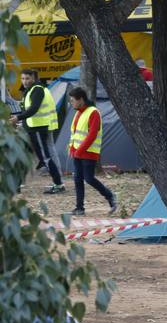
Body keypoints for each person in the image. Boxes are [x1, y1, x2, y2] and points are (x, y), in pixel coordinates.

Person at [9, 69, 64, 193]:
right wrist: (20, 122)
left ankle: (59, 184)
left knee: (45, 157)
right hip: (30, 129)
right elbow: (27, 111)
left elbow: (34, 109)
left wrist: (18, 117)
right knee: (23, 157)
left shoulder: (37, 89)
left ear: (33, 78)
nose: (25, 81)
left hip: (38, 129)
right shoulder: (28, 91)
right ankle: (16, 185)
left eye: (27, 78)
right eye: (22, 79)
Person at [65, 86, 117, 216]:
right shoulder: (78, 112)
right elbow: (75, 132)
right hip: (78, 152)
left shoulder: (93, 112)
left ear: (81, 99)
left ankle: (110, 196)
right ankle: (79, 208)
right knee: (77, 179)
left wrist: (80, 149)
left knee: (88, 178)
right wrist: (72, 147)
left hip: (89, 153)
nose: (71, 103)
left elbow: (92, 134)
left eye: (73, 100)